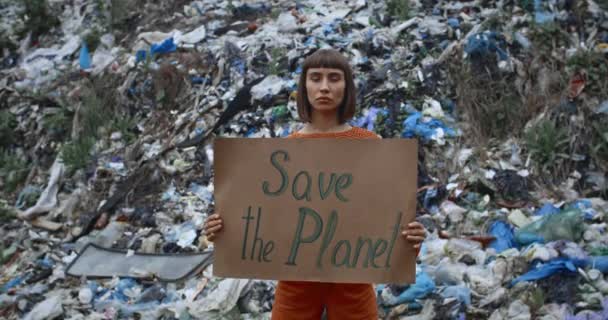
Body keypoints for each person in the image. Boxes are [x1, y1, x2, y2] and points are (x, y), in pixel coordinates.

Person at [204, 48, 427, 320]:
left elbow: (387, 216)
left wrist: (410, 239)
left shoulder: (371, 146)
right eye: (315, 78)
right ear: (304, 86)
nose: (324, 87)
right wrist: (224, 230)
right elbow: (263, 219)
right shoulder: (281, 154)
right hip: (295, 283)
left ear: (347, 87)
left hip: (353, 282)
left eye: (334, 78)